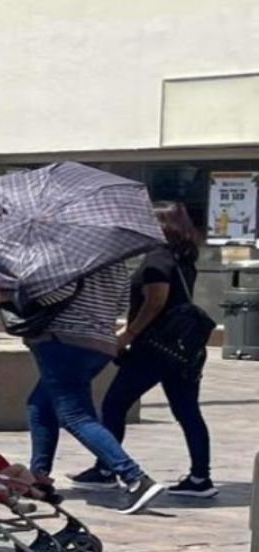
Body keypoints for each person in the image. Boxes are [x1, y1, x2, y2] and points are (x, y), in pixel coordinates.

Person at [71, 201, 215, 498]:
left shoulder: (156, 260)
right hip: (182, 350)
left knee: (114, 405)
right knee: (187, 411)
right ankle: (201, 478)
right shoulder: (182, 258)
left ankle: (107, 468)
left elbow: (155, 302)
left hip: (153, 349)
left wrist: (129, 334)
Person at [16, 259, 166, 514]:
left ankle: (135, 478)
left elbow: (53, 295)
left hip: (63, 341)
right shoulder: (113, 261)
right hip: (99, 344)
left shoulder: (64, 256)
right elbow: (120, 304)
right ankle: (39, 476)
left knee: (75, 415)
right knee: (40, 404)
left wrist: (14, 291)